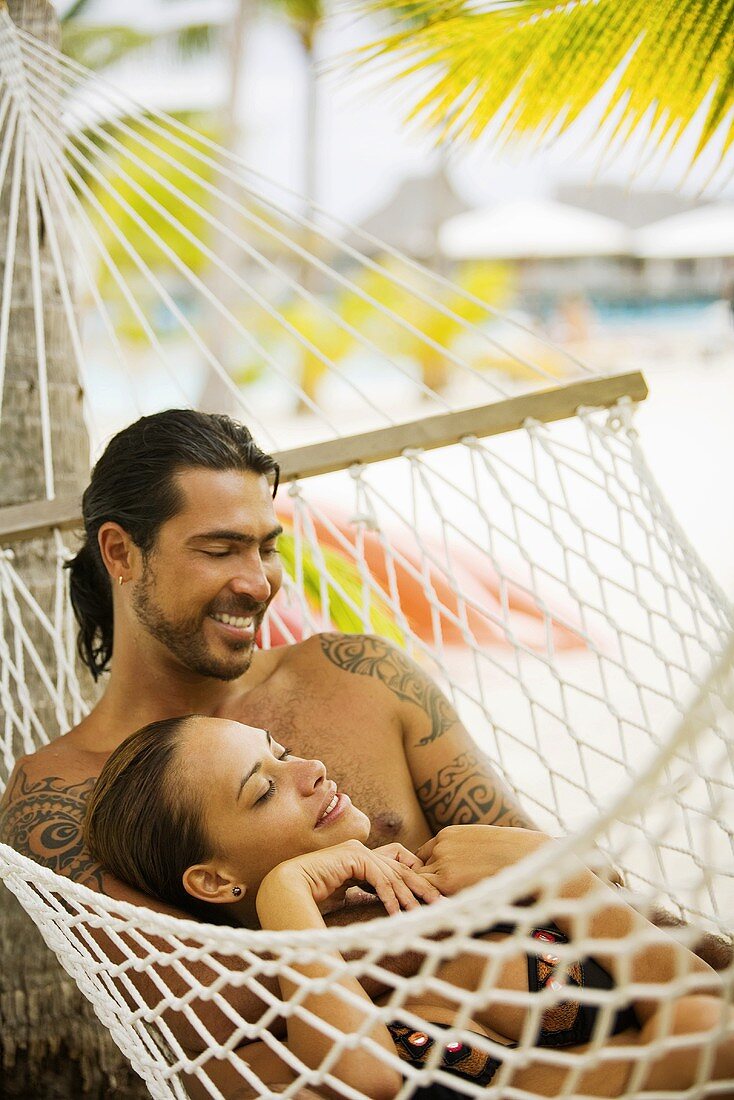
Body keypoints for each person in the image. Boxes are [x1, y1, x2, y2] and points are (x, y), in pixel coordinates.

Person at [0, 409, 728, 1055]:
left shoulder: (359, 677)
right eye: (220, 550)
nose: (258, 582)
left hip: (606, 1012)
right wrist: (467, 902)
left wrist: (708, 958)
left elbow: (555, 872)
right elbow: (212, 1026)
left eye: (267, 547)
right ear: (121, 553)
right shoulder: (59, 797)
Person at [83, 713, 734, 1098]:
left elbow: (698, 996)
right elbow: (363, 1083)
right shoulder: (279, 1009)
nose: (309, 767)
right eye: (264, 789)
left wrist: (556, 872)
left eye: (280, 751)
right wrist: (287, 896)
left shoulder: (457, 868)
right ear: (216, 882)